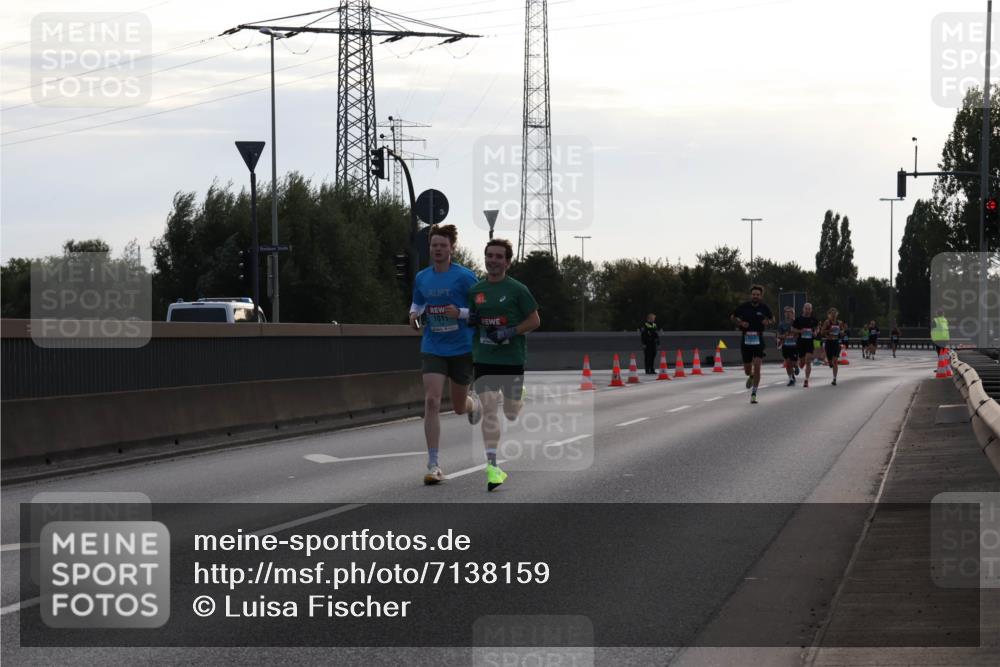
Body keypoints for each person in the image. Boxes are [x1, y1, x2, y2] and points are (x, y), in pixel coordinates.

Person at [408, 224, 480, 486]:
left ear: (452, 249)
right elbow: (417, 302)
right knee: (432, 401)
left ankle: (472, 403)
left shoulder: (465, 277)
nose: (438, 250)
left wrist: (459, 313)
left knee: (459, 407)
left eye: (442, 246)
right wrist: (413, 315)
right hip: (433, 345)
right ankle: (433, 464)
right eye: (434, 245)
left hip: (461, 347)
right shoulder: (423, 277)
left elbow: (480, 310)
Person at [468, 238, 541, 491]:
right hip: (484, 358)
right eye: (490, 255)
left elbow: (534, 320)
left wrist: (510, 332)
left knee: (510, 412)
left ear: (508, 262)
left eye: (499, 256)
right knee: (489, 409)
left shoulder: (518, 290)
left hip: (511, 358)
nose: (493, 260)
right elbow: (471, 317)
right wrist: (472, 319)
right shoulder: (476, 290)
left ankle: (519, 395)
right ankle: (493, 467)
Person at [730, 284, 773, 404]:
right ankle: (751, 375)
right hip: (746, 340)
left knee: (758, 365)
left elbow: (772, 318)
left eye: (757, 295)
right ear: (751, 295)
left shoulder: (764, 307)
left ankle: (754, 393)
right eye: (754, 294)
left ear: (761, 296)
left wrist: (768, 321)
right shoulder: (744, 306)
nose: (755, 296)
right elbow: (733, 317)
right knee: (747, 370)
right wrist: (740, 323)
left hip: (758, 339)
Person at [792, 302, 820, 388]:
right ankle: (798, 365)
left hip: (809, 343)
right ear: (803, 309)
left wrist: (815, 332)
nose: (807, 310)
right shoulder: (799, 319)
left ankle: (806, 380)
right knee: (802, 363)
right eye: (806, 308)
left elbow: (817, 327)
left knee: (808, 361)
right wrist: (800, 331)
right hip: (801, 342)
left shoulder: (814, 319)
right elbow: (792, 329)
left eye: (809, 309)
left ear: (811, 310)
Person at [818, 307, 847, 385]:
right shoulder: (827, 322)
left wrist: (842, 333)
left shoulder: (839, 323)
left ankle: (834, 379)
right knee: (830, 361)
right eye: (832, 314)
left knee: (835, 361)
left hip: (836, 343)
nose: (833, 315)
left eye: (835, 313)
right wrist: (829, 331)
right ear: (829, 315)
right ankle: (829, 362)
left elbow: (842, 331)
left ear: (837, 314)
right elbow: (821, 332)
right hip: (829, 343)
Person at [777, 307, 799, 386]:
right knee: (788, 363)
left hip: (794, 346)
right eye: (787, 312)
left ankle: (796, 367)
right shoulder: (781, 324)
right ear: (784, 314)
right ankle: (791, 378)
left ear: (793, 314)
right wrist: (783, 336)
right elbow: (779, 335)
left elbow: (800, 332)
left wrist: (795, 334)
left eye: (790, 312)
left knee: (793, 363)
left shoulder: (796, 323)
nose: (788, 314)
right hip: (786, 346)